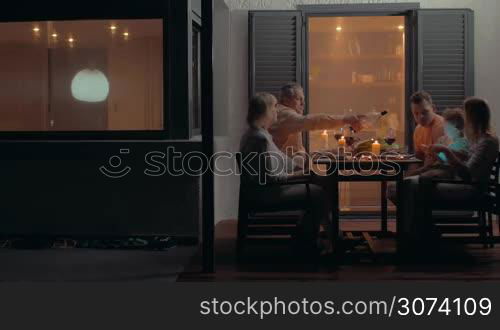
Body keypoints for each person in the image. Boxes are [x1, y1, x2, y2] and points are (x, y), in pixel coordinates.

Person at [239, 92, 333, 255]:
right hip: (266, 194)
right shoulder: (259, 140)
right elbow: (270, 178)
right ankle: (312, 243)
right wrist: (302, 175)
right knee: (318, 194)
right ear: (266, 111)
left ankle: (316, 238)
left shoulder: (258, 134)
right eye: (274, 107)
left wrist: (307, 159)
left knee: (320, 187)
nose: (277, 111)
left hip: (263, 189)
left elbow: (285, 162)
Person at [400, 97, 499, 249]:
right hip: (461, 180)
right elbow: (467, 160)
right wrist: (448, 153)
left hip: (470, 186)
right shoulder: (478, 140)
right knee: (416, 183)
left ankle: (419, 234)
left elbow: (468, 174)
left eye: (466, 115)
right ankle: (421, 231)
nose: (463, 119)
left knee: (416, 184)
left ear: (473, 117)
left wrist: (446, 151)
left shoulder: (487, 142)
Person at [269, 83, 363, 163]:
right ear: (286, 100)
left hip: (292, 172)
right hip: (290, 178)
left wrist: (329, 152)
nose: (303, 104)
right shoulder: (285, 115)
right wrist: (345, 119)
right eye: (298, 99)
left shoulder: (289, 118)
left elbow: (298, 156)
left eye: (303, 99)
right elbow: (314, 121)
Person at [409, 108, 469, 179]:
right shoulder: (451, 141)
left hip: (447, 171)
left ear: (455, 126)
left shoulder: (463, 143)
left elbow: (450, 162)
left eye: (447, 126)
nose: (445, 129)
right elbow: (443, 158)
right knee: (410, 174)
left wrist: (436, 153)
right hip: (437, 167)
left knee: (422, 175)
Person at [410, 91, 445, 162]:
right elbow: (418, 157)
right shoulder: (418, 129)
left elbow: (440, 162)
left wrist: (417, 172)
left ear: (434, 109)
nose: (420, 117)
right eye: (416, 113)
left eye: (424, 112)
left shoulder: (441, 127)